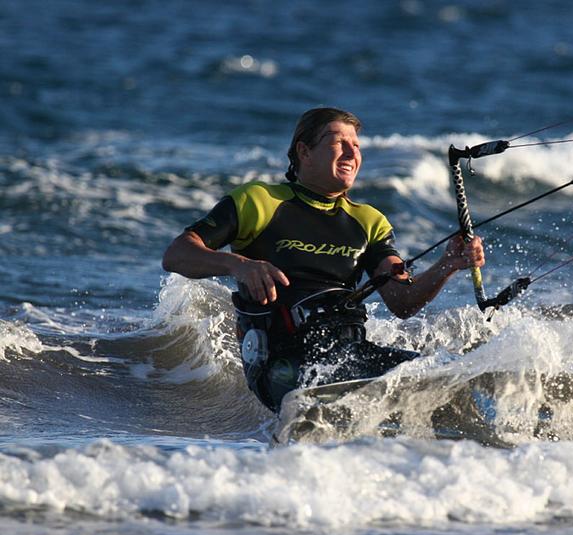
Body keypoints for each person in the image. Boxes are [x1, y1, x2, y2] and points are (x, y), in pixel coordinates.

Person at [162, 107, 484, 413]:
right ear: (304, 152)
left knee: (446, 378)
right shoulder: (259, 201)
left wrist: (448, 265)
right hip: (281, 365)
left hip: (350, 356)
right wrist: (240, 265)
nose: (351, 153)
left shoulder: (369, 221)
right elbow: (178, 254)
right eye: (339, 143)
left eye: (356, 146)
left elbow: (402, 301)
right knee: (329, 388)